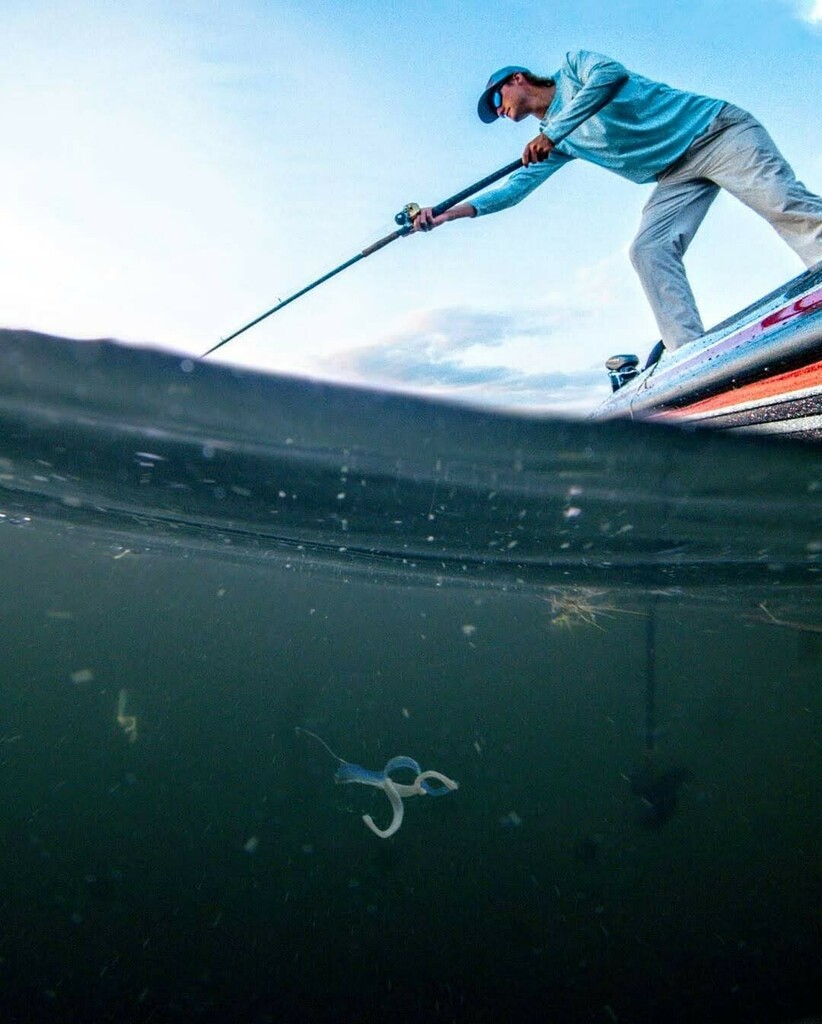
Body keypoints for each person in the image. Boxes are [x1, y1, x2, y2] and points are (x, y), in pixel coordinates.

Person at [414, 51, 822, 355]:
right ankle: (689, 354)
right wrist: (448, 214)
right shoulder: (554, 141)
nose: (497, 111)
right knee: (648, 250)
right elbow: (513, 189)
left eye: (495, 99)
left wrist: (553, 131)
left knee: (783, 204)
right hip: (675, 173)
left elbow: (611, 76)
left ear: (518, 79)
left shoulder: (574, 68)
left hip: (718, 132)